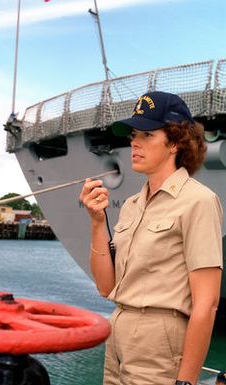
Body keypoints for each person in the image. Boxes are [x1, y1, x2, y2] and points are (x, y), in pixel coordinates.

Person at [79, 91, 223, 385]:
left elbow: (206, 303)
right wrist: (96, 222)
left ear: (175, 142)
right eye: (134, 134)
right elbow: (107, 287)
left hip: (160, 345)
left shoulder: (198, 201)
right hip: (118, 338)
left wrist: (186, 382)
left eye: (146, 134)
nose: (134, 142)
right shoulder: (132, 205)